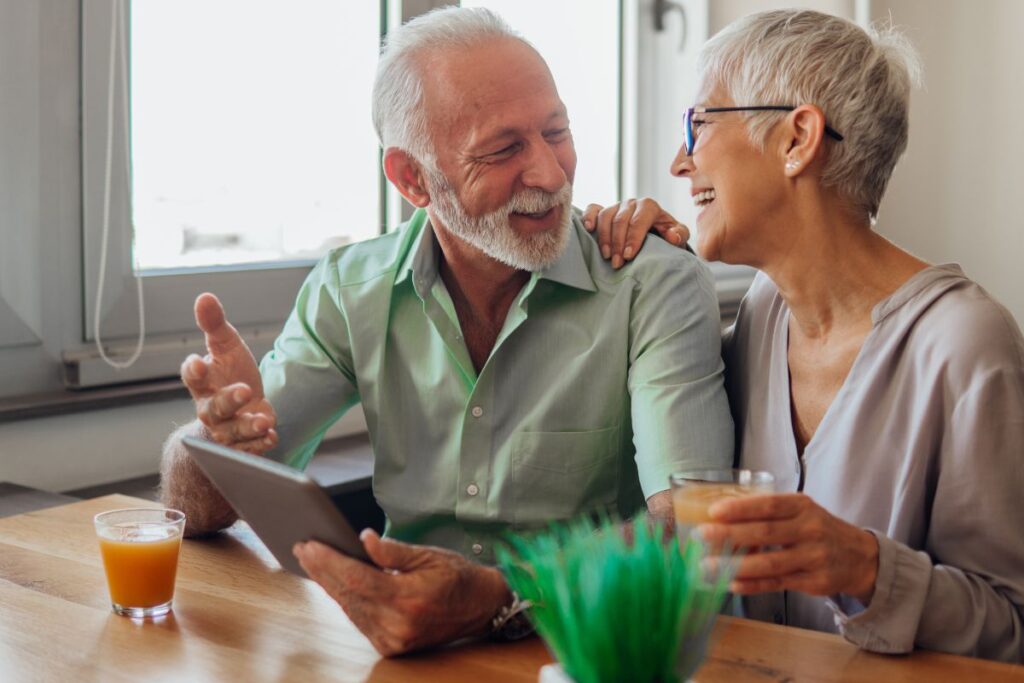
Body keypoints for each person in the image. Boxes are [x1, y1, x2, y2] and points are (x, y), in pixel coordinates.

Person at [159, 7, 731, 656]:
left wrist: (498, 597)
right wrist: (214, 439)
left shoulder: (651, 281)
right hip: (407, 653)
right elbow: (203, 510)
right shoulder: (352, 288)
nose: (550, 174)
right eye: (504, 149)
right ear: (412, 179)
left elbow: (692, 527)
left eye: (557, 131)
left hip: (588, 650)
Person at [584, 9, 1024, 663]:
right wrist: (635, 264)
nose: (679, 162)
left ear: (798, 139)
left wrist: (869, 568)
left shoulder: (966, 347)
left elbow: (1012, 628)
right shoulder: (762, 313)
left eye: (696, 125)